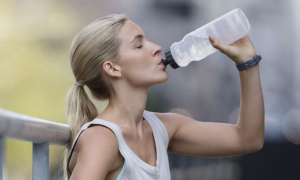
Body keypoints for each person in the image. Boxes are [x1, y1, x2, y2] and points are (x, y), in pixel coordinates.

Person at [63, 14, 264, 180]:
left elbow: (248, 139)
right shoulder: (101, 139)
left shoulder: (164, 127)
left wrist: (247, 62)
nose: (157, 47)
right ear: (112, 68)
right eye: (139, 45)